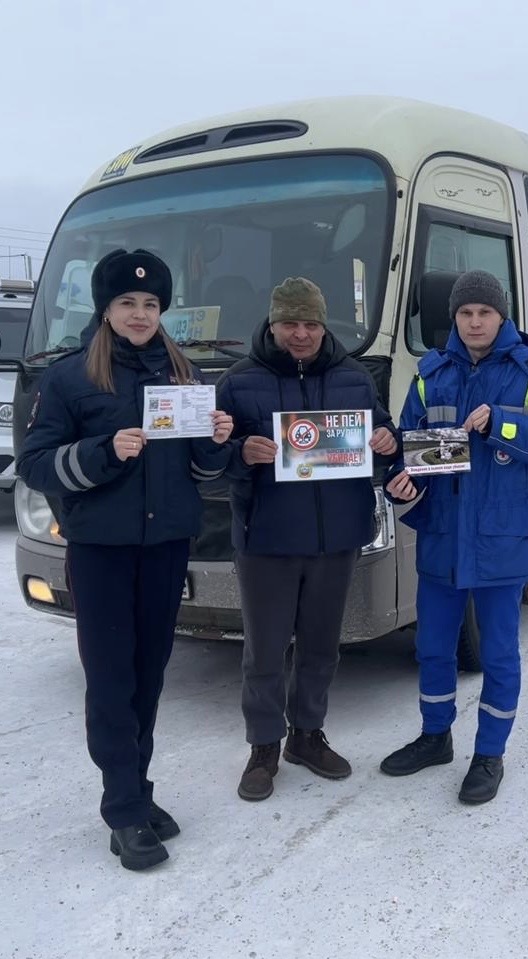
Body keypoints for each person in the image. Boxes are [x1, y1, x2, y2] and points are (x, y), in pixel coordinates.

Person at [17, 249, 234, 871]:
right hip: (102, 552)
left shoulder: (183, 373)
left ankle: (136, 790)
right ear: (106, 308)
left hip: (165, 547)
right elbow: (35, 464)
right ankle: (123, 809)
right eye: (127, 303)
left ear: (163, 311)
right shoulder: (69, 379)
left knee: (150, 673)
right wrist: (103, 451)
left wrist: (214, 443)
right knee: (112, 681)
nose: (139, 314)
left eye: (150, 304)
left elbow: (200, 471)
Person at [381, 269, 528, 804]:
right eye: (465, 313)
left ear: (502, 315)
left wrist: (503, 425)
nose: (474, 322)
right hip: (443, 536)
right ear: (455, 317)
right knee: (432, 648)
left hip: (503, 539)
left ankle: (489, 754)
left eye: (484, 313)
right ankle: (435, 737)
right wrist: (401, 485)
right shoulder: (431, 373)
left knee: (497, 653)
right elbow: (409, 447)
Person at [217, 277, 398, 802]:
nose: (301, 334)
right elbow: (207, 460)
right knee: (265, 652)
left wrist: (387, 442)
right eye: (290, 323)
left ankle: (307, 735)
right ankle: (264, 745)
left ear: (324, 325)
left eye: (311, 323)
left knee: (321, 647)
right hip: (267, 539)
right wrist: (239, 456)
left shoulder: (354, 379)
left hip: (336, 538)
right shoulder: (238, 381)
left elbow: (381, 440)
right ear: (272, 325)